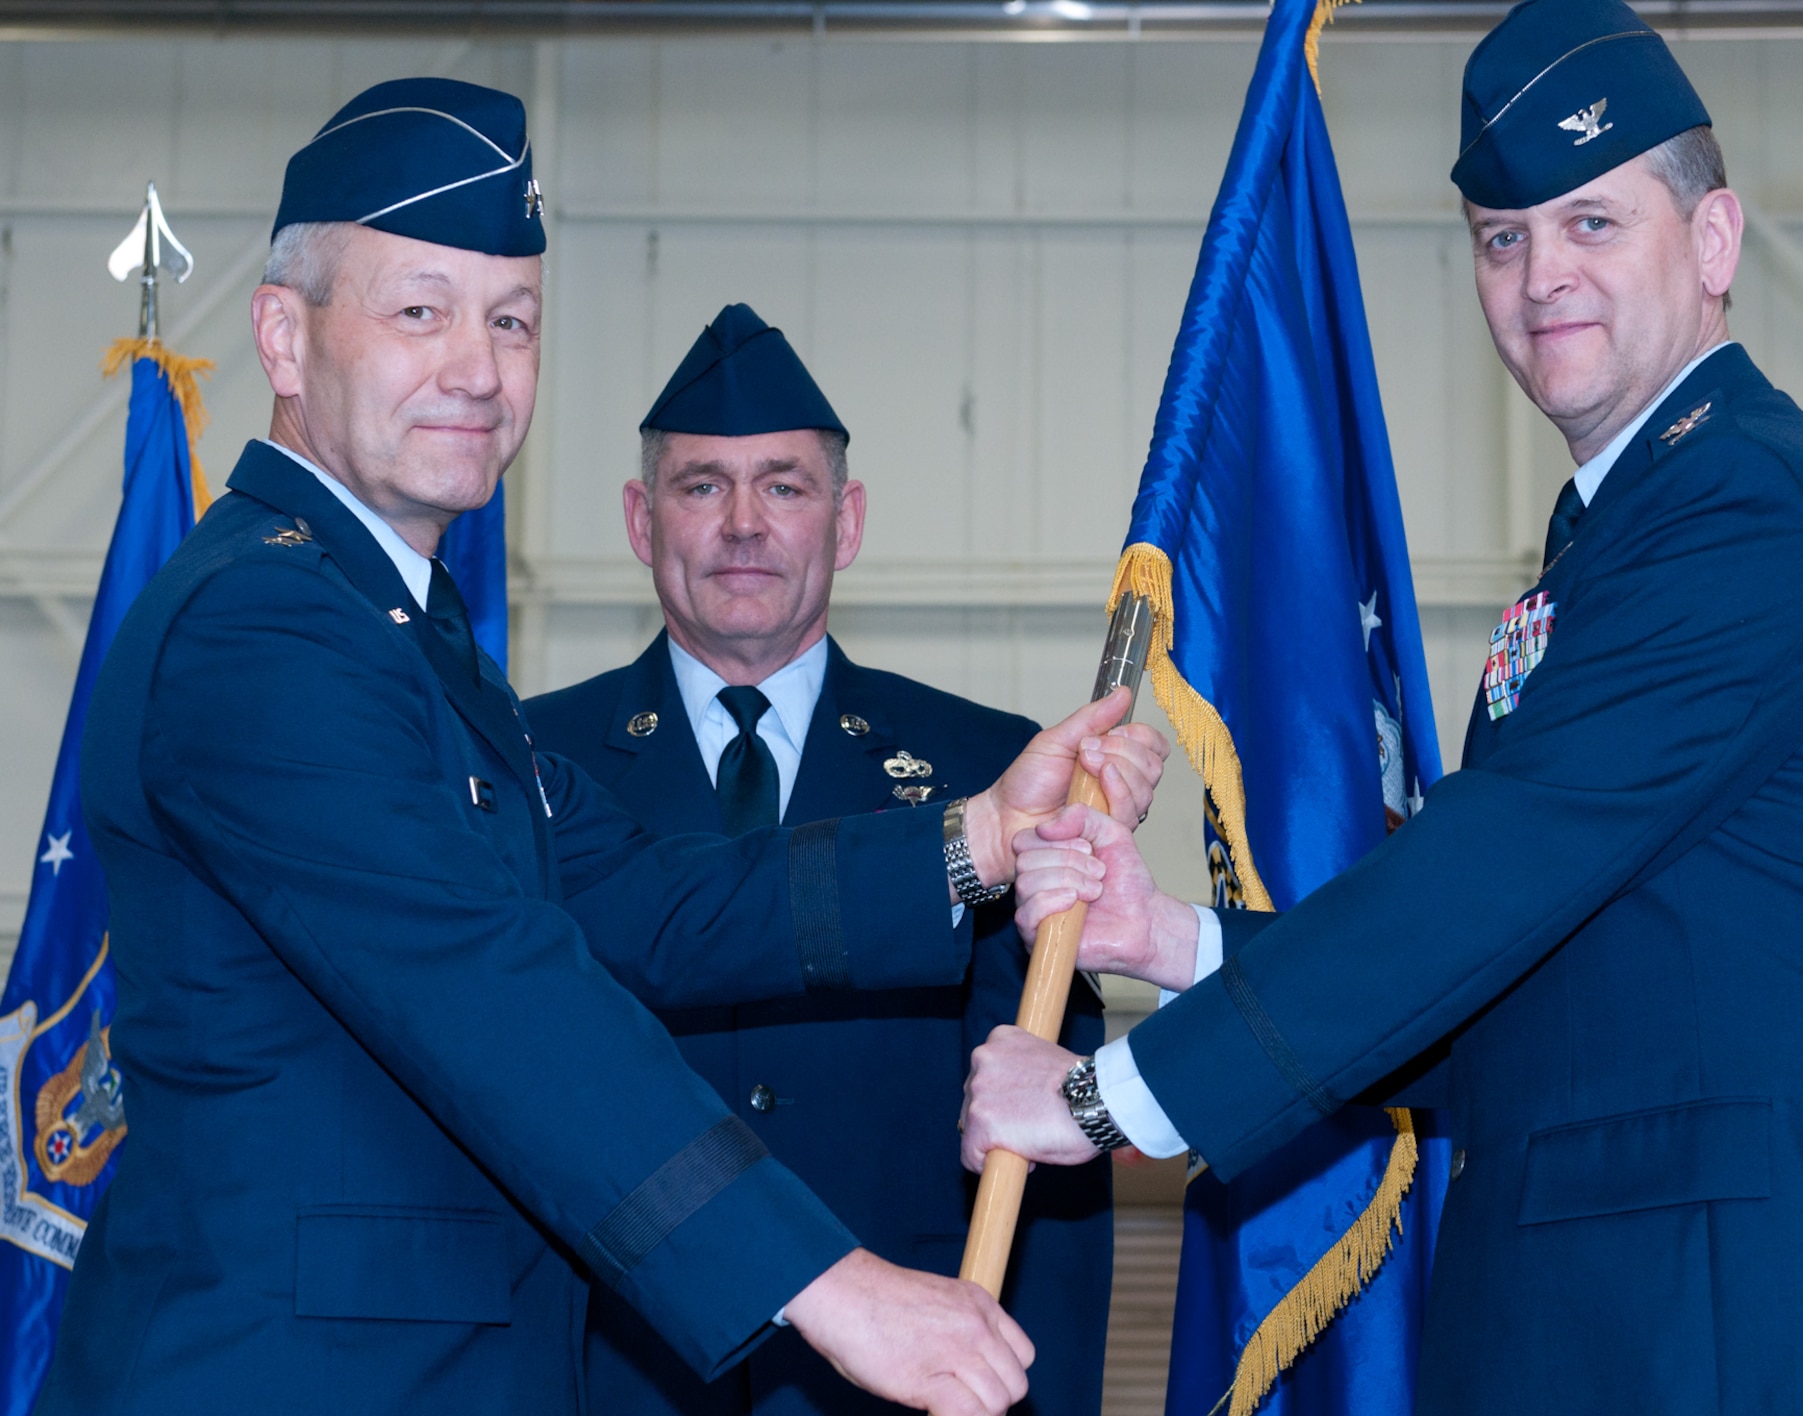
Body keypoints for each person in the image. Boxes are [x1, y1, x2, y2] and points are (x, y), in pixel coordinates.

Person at [39, 78, 1165, 1416]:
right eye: (420, 311)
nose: (477, 367)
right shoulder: (267, 630)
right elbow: (497, 992)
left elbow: (642, 894)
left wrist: (981, 834)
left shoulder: (394, 629)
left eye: (510, 320)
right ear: (285, 339)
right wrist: (829, 1283)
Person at [960, 2, 1803, 1411]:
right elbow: (1537, 976)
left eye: (1591, 224)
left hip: (1745, 1327)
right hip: (1620, 1320)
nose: (1538, 275)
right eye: (1501, 239)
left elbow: (1485, 878)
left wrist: (1107, 1101)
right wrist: (1181, 941)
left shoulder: (1748, 511)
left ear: (1713, 244)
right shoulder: (1624, 530)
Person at [525, 304, 1113, 1416]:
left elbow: (1049, 1139)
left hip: (908, 1378)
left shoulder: (988, 770)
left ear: (843, 523)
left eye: (783, 487)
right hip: (612, 1369)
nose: (742, 524)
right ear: (639, 521)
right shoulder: (526, 763)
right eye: (701, 486)